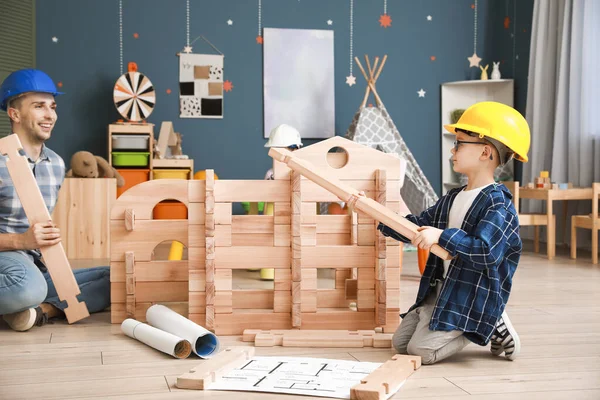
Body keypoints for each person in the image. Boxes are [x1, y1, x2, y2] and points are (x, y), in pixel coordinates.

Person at [377, 101, 530, 364]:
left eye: (459, 143)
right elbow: (418, 226)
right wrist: (379, 217)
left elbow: (486, 251)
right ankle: (443, 318)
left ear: (485, 152)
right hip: (442, 289)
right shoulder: (452, 198)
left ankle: (488, 321)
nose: (453, 149)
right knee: (400, 345)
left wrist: (441, 236)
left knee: (421, 352)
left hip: (469, 295)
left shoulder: (498, 204)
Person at [0, 69, 110, 332]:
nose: (51, 115)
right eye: (39, 106)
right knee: (29, 286)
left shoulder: (57, 164)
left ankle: (39, 311)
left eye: (52, 106)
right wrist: (21, 241)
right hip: (7, 261)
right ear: (14, 114)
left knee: (116, 279)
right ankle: (25, 299)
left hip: (35, 264)